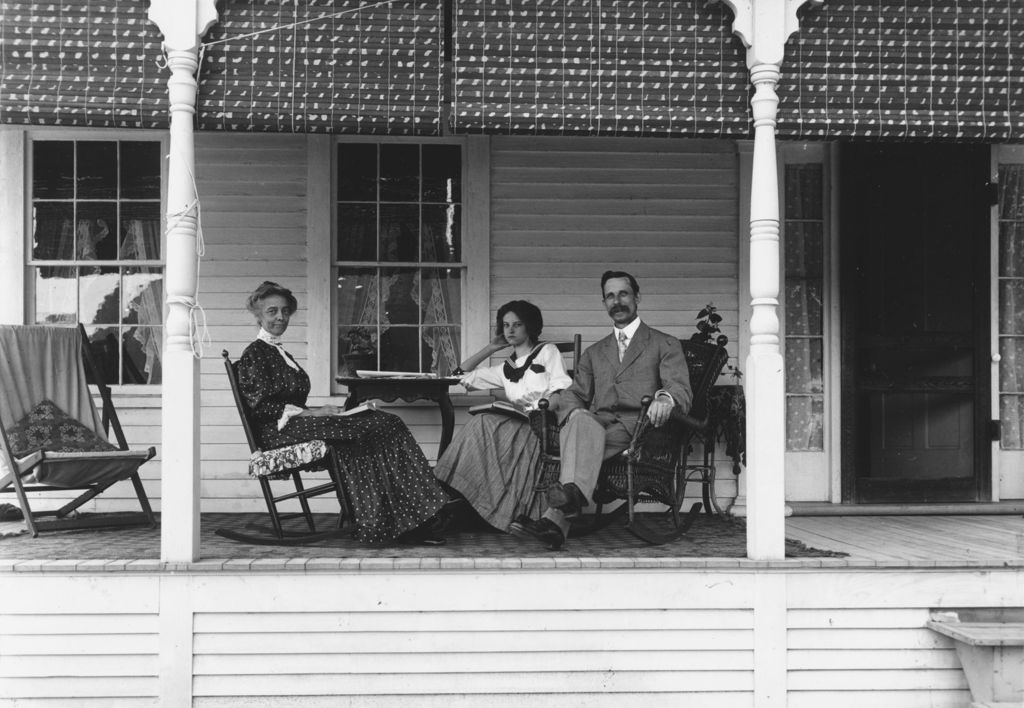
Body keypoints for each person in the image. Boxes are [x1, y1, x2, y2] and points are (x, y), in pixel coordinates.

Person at [235, 281, 449, 546]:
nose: (280, 317)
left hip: (297, 425)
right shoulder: (255, 354)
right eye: (272, 311)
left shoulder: (279, 352)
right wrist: (313, 413)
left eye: (285, 311)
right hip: (278, 433)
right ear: (258, 315)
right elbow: (263, 408)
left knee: (385, 424)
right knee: (373, 427)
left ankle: (409, 516)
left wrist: (315, 413)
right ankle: (406, 518)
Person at [510, 271, 692, 550]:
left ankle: (556, 517)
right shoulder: (595, 353)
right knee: (580, 420)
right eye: (610, 296)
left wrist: (665, 399)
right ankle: (564, 511)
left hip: (639, 429)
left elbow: (680, 388)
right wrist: (573, 415)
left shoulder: (664, 343)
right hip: (599, 424)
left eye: (623, 294)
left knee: (581, 435)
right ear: (604, 303)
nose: (616, 301)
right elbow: (575, 394)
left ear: (637, 297)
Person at [434, 300, 572, 531]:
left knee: (483, 424)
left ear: (529, 326)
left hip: (543, 426)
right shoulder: (504, 369)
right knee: (481, 421)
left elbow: (562, 389)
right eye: (506, 325)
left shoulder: (547, 351)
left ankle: (445, 492)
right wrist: (490, 348)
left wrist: (543, 407)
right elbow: (459, 376)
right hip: (518, 423)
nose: (510, 330)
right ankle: (450, 493)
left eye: (517, 324)